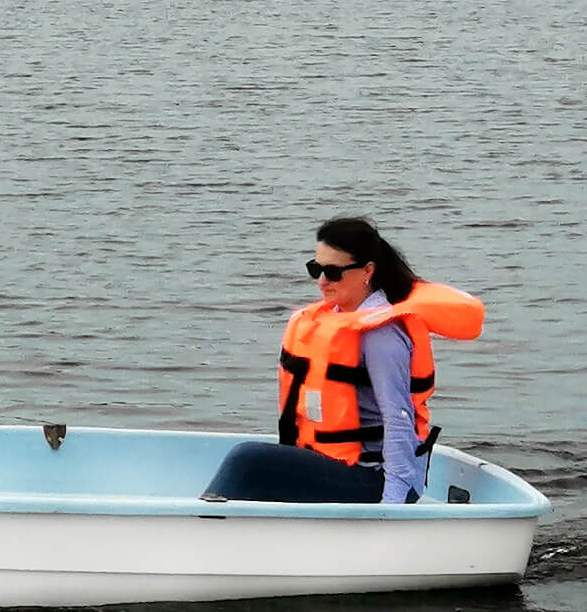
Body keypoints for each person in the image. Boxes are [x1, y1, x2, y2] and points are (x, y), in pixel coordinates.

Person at [202, 216, 484, 504]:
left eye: (333, 272)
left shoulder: (380, 335)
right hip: (335, 464)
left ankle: (200, 527)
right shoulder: (333, 318)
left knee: (247, 460)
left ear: (367, 271)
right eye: (316, 269)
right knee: (253, 467)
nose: (322, 282)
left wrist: (393, 506)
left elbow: (398, 418)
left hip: (377, 478)